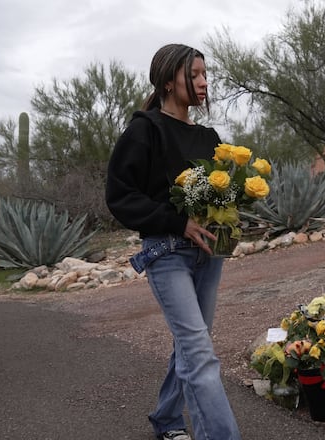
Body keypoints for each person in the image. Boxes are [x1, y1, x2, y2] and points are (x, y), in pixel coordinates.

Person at [106, 44, 241, 440]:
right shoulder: (144, 130)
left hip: (209, 254)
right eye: (194, 74)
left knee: (192, 343)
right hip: (167, 254)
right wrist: (177, 221)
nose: (203, 82)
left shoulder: (209, 136)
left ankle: (166, 419)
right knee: (199, 353)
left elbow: (221, 196)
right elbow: (120, 196)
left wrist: (231, 217)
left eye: (204, 74)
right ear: (168, 80)